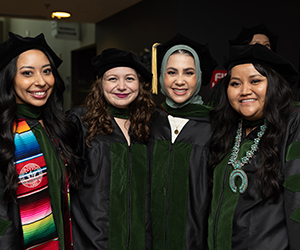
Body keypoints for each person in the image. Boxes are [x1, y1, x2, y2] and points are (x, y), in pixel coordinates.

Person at [207, 43, 300, 249]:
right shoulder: (226, 131)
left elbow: (297, 202)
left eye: (255, 81)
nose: (244, 91)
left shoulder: (292, 126)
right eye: (235, 84)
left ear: (275, 84)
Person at [0, 32, 82, 250]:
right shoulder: (4, 135)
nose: (41, 81)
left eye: (47, 71)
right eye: (27, 73)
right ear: (10, 79)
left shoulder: (60, 129)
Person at [69, 48, 156, 249]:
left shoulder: (150, 125)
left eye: (129, 79)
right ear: (100, 84)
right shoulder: (81, 122)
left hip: (140, 240)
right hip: (92, 240)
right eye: (112, 79)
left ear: (140, 84)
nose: (122, 86)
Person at [149, 33, 217, 249]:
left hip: (196, 240)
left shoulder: (215, 125)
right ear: (161, 76)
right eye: (171, 72)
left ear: (198, 77)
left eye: (189, 72)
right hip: (150, 238)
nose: (180, 81)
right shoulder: (149, 121)